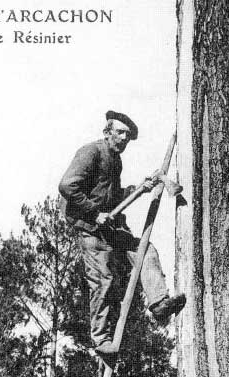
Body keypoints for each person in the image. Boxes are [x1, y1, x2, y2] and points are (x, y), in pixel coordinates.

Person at [58, 110, 186, 364]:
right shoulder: (91, 152)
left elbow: (113, 198)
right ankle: (101, 340)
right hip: (90, 229)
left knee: (145, 250)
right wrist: (94, 214)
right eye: (121, 132)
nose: (125, 138)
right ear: (108, 132)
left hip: (110, 226)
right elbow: (67, 186)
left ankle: (159, 304)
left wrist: (139, 187)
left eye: (128, 135)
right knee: (102, 282)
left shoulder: (115, 161)